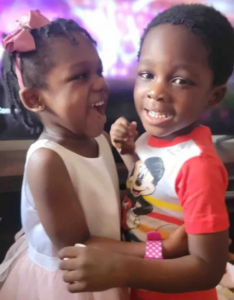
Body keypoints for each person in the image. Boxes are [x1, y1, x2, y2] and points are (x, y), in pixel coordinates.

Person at [0, 9, 188, 300]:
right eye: (80, 76)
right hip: (76, 279)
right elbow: (80, 245)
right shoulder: (46, 161)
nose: (100, 83)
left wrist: (128, 154)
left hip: (109, 256)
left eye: (98, 71)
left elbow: (134, 187)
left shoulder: (97, 137)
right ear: (36, 99)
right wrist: (161, 250)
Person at [59, 4, 234, 300]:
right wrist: (128, 153)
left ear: (213, 95)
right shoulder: (157, 138)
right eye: (147, 74)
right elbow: (157, 187)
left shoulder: (197, 166)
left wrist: (122, 269)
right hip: (145, 264)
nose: (157, 91)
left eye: (180, 80)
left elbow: (208, 267)